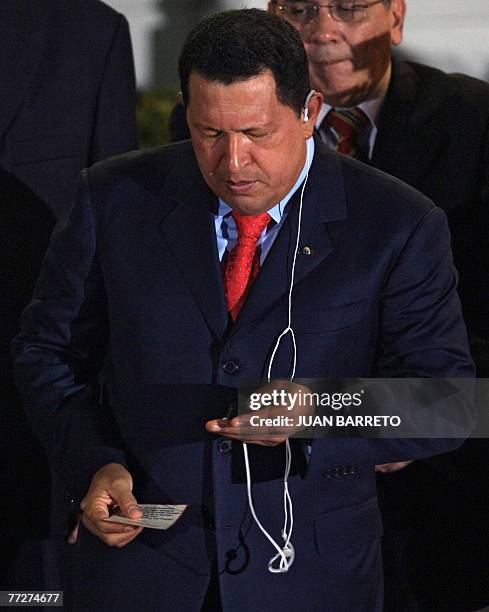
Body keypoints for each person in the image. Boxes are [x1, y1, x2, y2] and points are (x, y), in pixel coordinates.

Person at [13, 9, 474, 611]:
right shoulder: (113, 197)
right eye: (210, 133)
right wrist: (94, 466)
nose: (233, 164)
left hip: (310, 576)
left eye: (257, 134)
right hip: (140, 574)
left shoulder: (397, 223)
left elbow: (450, 402)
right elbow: (47, 352)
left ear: (308, 113)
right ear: (186, 107)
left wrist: (319, 409)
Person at [264, 1, 489, 609]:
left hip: (439, 473)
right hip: (276, 480)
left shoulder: (476, 120)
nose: (323, 31)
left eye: (349, 8)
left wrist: (382, 415)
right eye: (301, 10)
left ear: (396, 17)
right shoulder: (228, 125)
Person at [0, 0, 138, 591]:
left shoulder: (87, 32)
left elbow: (113, 255)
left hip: (27, 409)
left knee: (31, 591)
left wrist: (101, 451)